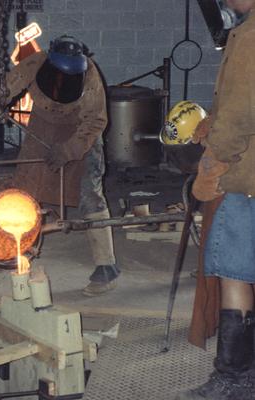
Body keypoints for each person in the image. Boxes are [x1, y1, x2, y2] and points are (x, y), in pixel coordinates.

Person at [0, 35, 119, 296]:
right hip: (44, 128)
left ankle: (106, 266)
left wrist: (70, 149)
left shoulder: (91, 76)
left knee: (90, 195)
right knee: (27, 187)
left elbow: (96, 121)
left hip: (80, 133)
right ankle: (16, 249)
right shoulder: (33, 64)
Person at [176, 0, 255, 399]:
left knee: (235, 274)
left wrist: (211, 162)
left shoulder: (251, 35)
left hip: (248, 180)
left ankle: (234, 378)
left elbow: (241, 114)